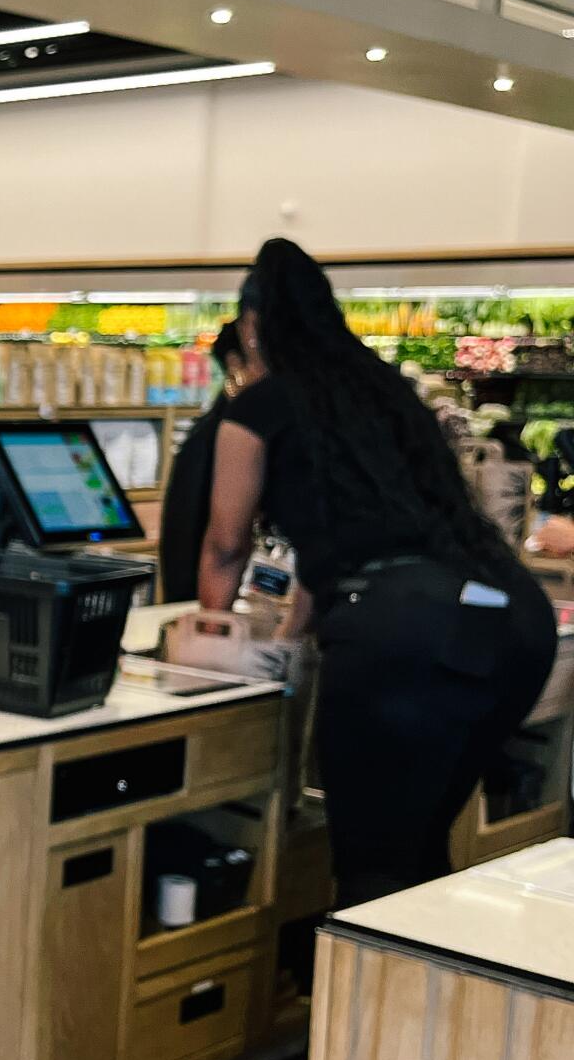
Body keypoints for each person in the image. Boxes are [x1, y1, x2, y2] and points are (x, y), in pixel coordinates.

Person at [200, 238, 556, 908]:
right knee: (417, 847)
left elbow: (225, 544)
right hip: (512, 616)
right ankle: (423, 1006)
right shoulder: (387, 395)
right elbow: (337, 544)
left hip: (405, 632)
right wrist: (296, 635)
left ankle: (360, 1011)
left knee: (371, 866)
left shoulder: (258, 406)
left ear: (252, 328)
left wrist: (211, 646)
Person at [158, 322, 260, 602]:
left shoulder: (212, 428)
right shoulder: (232, 431)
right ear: (234, 363)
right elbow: (224, 541)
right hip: (210, 593)